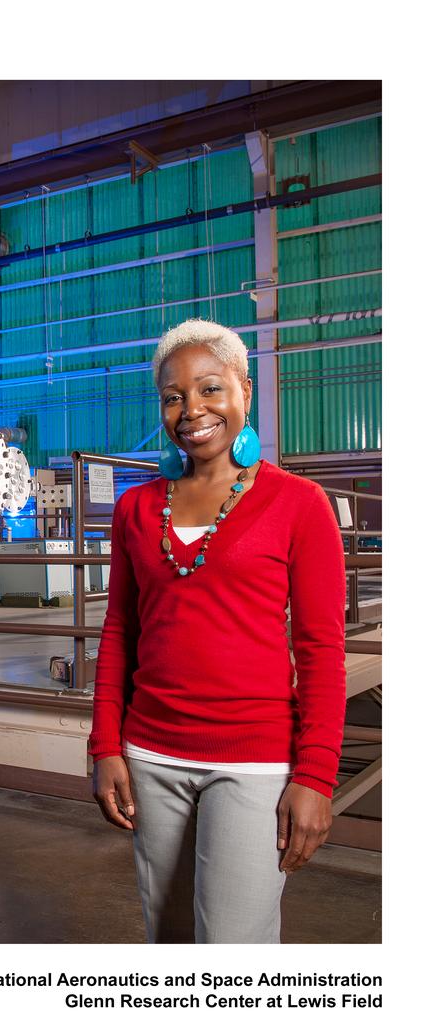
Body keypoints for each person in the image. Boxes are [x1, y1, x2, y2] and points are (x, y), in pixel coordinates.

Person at [89, 317, 347, 944]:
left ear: (245, 392)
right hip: (152, 753)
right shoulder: (137, 507)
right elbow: (120, 628)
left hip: (254, 760)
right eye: (173, 396)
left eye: (209, 389)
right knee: (170, 939)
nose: (191, 409)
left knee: (234, 950)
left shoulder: (299, 504)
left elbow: (320, 650)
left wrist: (315, 776)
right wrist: (105, 746)